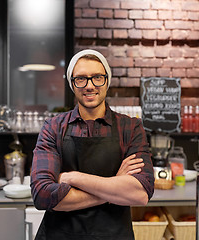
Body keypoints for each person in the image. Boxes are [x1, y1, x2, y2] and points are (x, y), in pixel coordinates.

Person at [30, 49, 154, 240]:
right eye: (81, 79)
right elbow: (43, 195)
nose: (89, 86)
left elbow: (140, 194)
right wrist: (115, 187)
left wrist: (72, 177)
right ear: (72, 83)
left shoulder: (130, 127)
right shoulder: (54, 127)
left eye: (97, 77)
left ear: (107, 81)